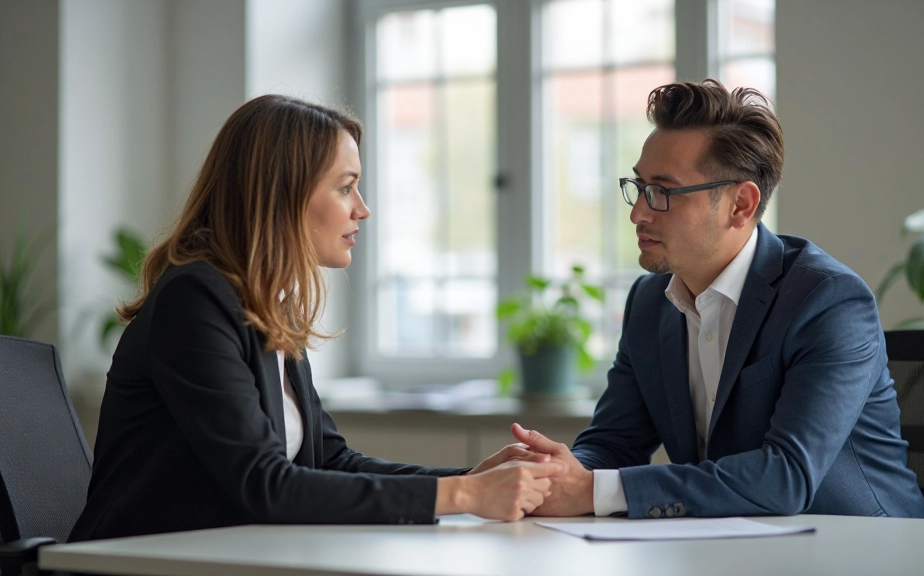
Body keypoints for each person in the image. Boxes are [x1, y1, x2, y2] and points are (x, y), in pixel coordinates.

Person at [70, 95, 562, 541]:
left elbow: (329, 461)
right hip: (138, 562)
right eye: (346, 188)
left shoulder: (268, 303)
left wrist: (469, 481)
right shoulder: (195, 298)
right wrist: (466, 498)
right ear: (283, 193)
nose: (363, 210)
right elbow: (264, 485)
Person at [510, 79, 924, 519]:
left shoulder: (828, 302)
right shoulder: (649, 302)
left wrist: (595, 491)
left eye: (663, 192)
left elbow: (785, 477)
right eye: (638, 186)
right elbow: (613, 443)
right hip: (732, 549)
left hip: (867, 552)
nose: (638, 212)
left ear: (740, 205)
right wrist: (552, 474)